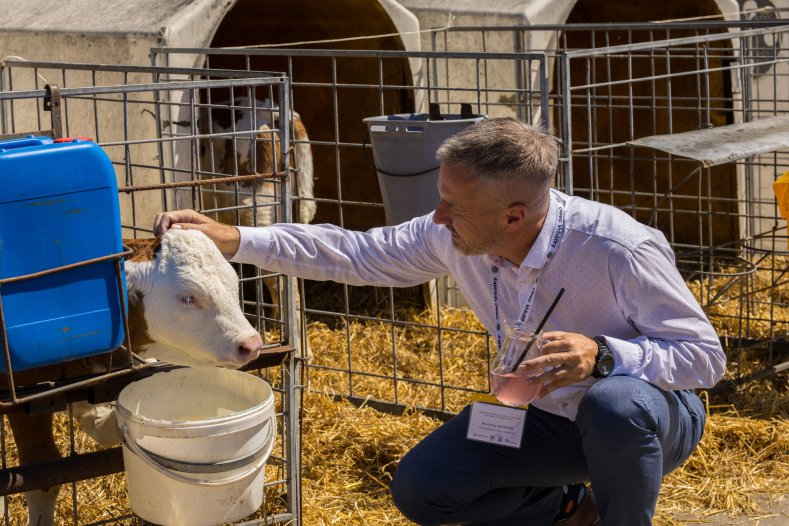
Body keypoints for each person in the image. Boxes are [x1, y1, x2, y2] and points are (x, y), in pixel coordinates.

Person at [153, 118, 724, 526]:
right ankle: (571, 509)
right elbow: (356, 253)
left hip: (648, 416)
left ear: (514, 216)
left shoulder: (617, 248)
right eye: (441, 196)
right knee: (423, 488)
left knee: (614, 403)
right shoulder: (449, 233)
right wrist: (237, 239)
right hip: (545, 414)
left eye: (454, 206)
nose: (438, 216)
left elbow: (705, 358)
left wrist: (605, 355)